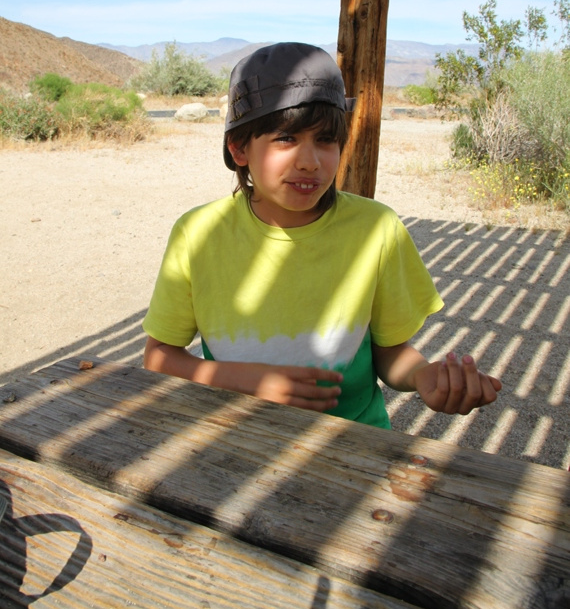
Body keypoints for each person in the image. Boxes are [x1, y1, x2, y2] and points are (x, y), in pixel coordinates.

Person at [143, 42, 501, 428]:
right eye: (286, 139)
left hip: (354, 441)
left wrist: (422, 376)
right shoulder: (197, 234)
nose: (310, 162)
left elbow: (390, 351)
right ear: (239, 148)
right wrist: (243, 380)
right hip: (236, 439)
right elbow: (160, 354)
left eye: (326, 140)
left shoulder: (376, 229)